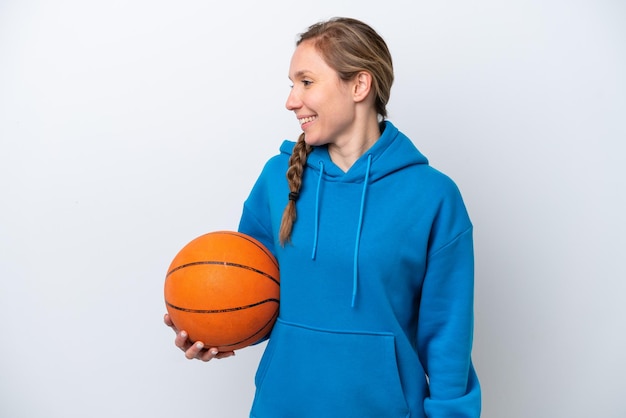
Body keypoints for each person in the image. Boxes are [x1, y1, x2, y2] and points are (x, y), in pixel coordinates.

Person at [165, 16, 481, 417]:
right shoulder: (275, 180)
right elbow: (245, 294)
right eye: (291, 85)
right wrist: (210, 327)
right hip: (282, 406)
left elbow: (448, 335)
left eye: (307, 82)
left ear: (359, 85)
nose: (291, 100)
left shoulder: (433, 196)